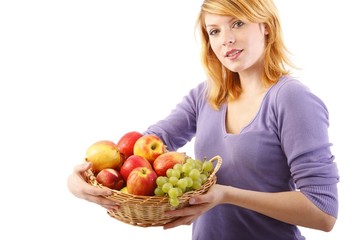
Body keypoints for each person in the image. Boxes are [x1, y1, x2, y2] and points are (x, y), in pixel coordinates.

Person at [67, 0, 339, 239]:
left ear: (265, 25)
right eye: (215, 31)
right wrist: (80, 180)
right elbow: (143, 147)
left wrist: (227, 194)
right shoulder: (207, 95)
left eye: (238, 23)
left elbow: (323, 212)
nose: (226, 40)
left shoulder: (291, 99)